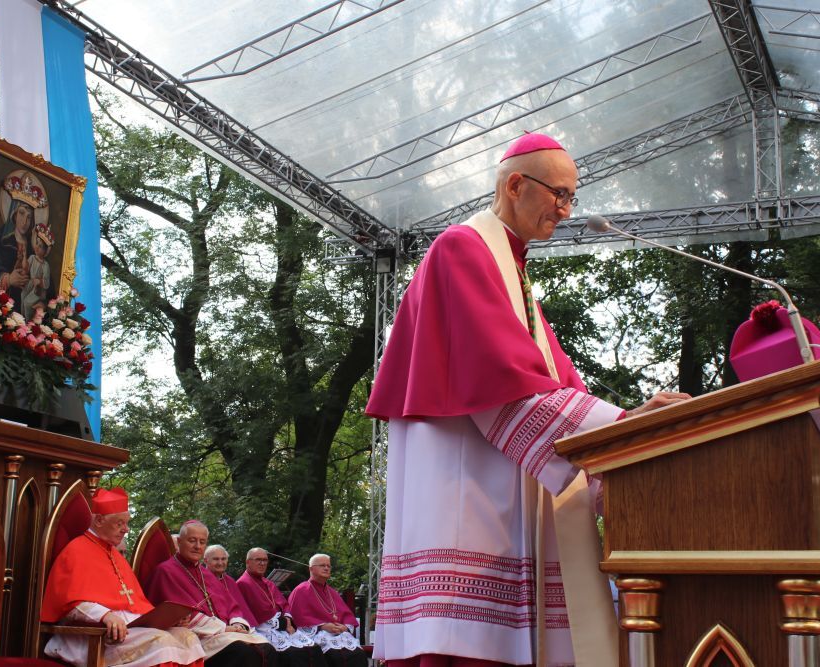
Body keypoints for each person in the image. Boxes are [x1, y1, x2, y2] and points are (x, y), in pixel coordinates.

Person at [365, 133, 689, 666]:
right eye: (558, 194)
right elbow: (502, 377)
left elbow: (557, 382)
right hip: (463, 481)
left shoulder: (516, 275)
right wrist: (627, 424)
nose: (564, 210)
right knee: (467, 642)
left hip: (502, 481)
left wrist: (630, 430)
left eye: (570, 198)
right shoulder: (461, 248)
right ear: (516, 184)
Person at [40, 487, 205, 667]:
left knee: (188, 637)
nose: (125, 530)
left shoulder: (116, 555)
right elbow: (71, 603)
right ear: (100, 520)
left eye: (126, 523)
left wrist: (170, 618)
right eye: (120, 523)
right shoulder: (76, 550)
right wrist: (105, 615)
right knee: (161, 641)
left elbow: (133, 603)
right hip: (92, 637)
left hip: (129, 629)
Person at [146, 521, 276, 667]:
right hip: (197, 637)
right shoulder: (166, 571)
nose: (197, 546)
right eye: (192, 540)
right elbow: (180, 612)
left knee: (268, 649)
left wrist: (238, 623)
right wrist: (223, 628)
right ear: (179, 541)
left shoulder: (206, 574)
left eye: (202, 542)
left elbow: (230, 605)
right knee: (242, 652)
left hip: (224, 634)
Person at [236, 548, 326, 667]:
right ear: (248, 562)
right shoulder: (243, 583)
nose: (262, 563)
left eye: (265, 560)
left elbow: (284, 604)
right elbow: (256, 615)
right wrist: (283, 623)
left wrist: (288, 619)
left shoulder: (268, 583)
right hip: (263, 629)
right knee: (293, 654)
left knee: (313, 649)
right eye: (258, 560)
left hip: (282, 626)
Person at [0, 169, 47, 304]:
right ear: (13, 214)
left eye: (29, 217)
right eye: (21, 213)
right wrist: (7, 279)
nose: (25, 221)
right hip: (1, 306)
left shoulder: (35, 247)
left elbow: (47, 284)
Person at [288, 554, 367, 667]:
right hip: (316, 635)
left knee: (358, 654)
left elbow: (347, 616)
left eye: (328, 566)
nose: (326, 568)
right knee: (336, 655)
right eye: (322, 565)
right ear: (311, 569)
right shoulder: (301, 590)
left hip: (339, 634)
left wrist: (344, 627)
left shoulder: (332, 592)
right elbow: (298, 618)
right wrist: (322, 626)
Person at [21, 222, 53, 319]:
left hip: (38, 291)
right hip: (30, 285)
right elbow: (25, 268)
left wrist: (39, 281)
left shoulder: (45, 265)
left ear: (46, 251)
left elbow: (46, 283)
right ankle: (22, 319)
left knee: (27, 302)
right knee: (23, 296)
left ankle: (27, 322)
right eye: (37, 244)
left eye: (41, 247)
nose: (37, 248)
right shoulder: (32, 258)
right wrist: (24, 255)